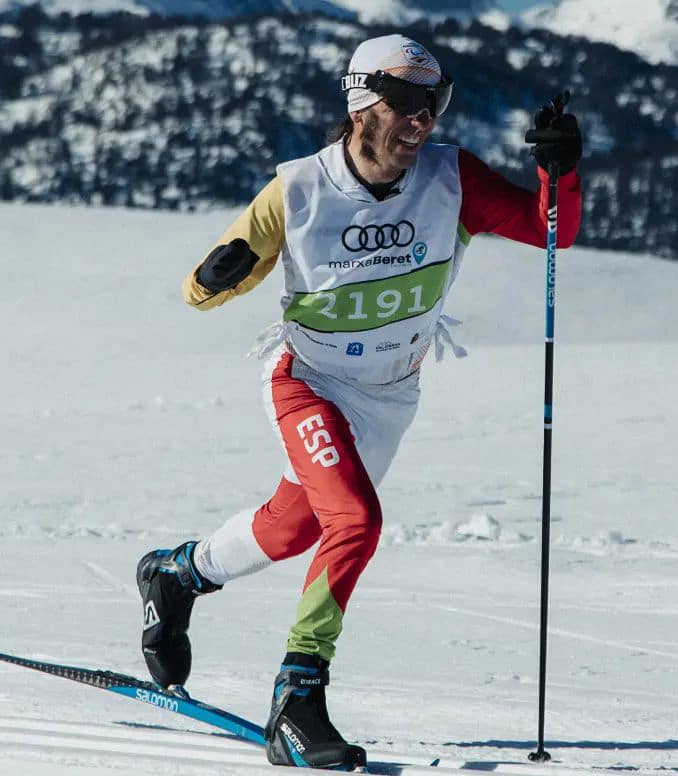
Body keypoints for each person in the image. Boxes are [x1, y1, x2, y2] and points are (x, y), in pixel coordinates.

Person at [135, 34, 583, 770]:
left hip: (389, 394)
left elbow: (549, 229)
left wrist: (557, 171)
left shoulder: (452, 179)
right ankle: (298, 694)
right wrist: (219, 276)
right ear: (361, 103)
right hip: (307, 381)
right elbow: (199, 292)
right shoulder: (297, 192)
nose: (423, 119)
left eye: (435, 102)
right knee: (355, 520)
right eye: (406, 101)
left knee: (293, 528)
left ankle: (178, 574)